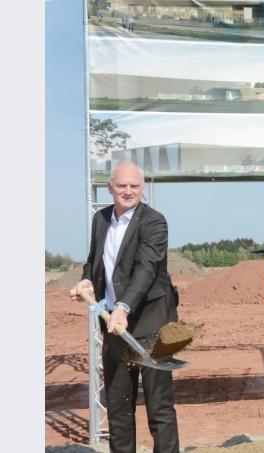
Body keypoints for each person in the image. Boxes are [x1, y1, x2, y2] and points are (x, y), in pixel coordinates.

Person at [70, 162, 180, 453]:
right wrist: (86, 281)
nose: (128, 191)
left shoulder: (154, 222)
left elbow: (146, 269)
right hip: (114, 327)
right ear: (110, 188)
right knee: (118, 409)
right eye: (122, 186)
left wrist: (122, 307)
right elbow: (95, 261)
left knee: (159, 409)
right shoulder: (101, 219)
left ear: (142, 189)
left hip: (152, 325)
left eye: (134, 186)